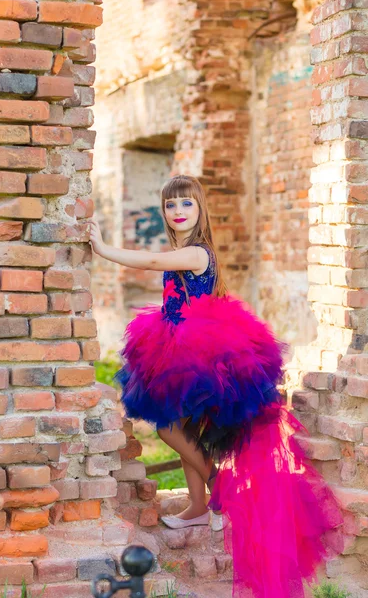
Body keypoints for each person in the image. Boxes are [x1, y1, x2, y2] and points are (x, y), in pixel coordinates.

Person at [90, 174, 344, 598]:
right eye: (171, 206)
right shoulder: (183, 249)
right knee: (184, 426)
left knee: (168, 427)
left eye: (186, 204)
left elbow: (152, 264)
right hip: (176, 346)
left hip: (198, 352)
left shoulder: (195, 252)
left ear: (200, 210)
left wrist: (103, 249)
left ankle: (217, 487)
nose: (178, 212)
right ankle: (196, 506)